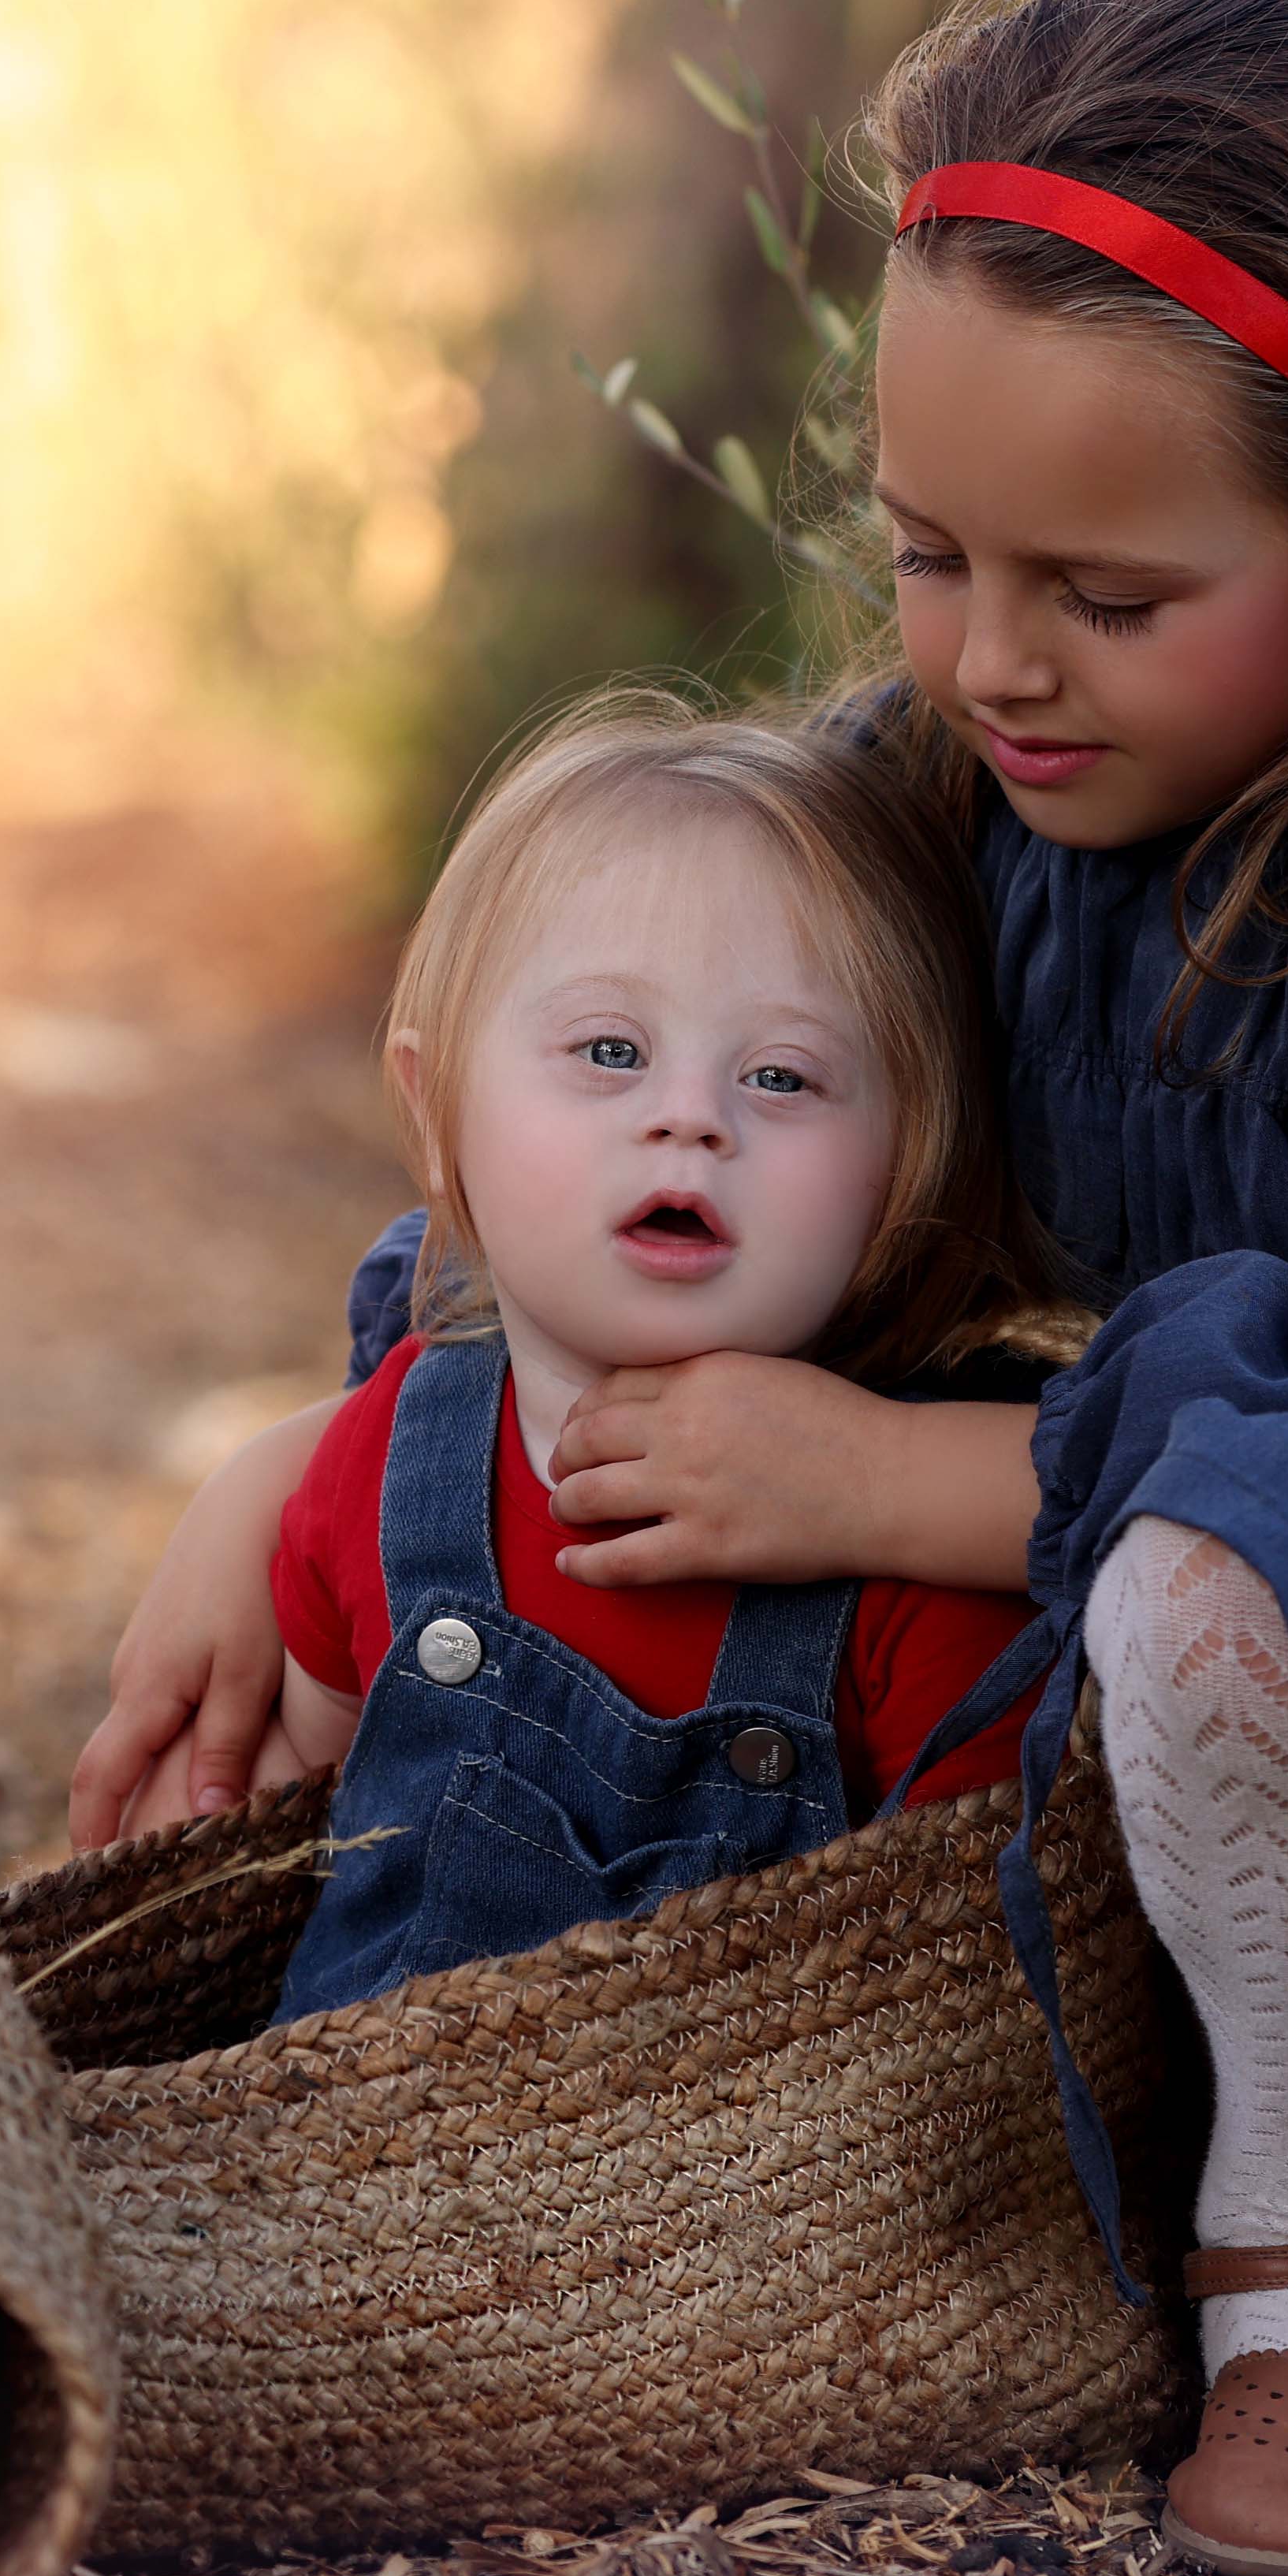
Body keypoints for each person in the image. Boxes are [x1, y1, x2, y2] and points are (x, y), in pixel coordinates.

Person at [69, 0, 1288, 2576]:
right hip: (1058, 1681)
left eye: (1106, 592)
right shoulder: (954, 776)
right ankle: (607, 2096)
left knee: (1226, 1574)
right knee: (675, 1537)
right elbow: (638, 1083)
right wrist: (322, 1449)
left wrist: (895, 1479)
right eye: (926, 555)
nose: (989, 657)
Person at [243, 693, 1051, 2023]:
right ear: (438, 1115)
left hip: (758, 2147)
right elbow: (283, 1848)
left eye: (781, 1077)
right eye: (610, 1051)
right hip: (360, 2135)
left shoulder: (917, 1557)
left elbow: (967, 2002)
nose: (689, 1117)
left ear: (909, 1164)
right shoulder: (385, 1465)